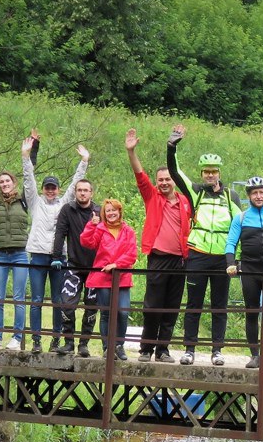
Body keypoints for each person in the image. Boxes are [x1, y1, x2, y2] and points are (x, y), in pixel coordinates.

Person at [168, 124, 242, 366]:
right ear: (201, 174)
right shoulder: (196, 192)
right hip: (198, 254)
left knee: (219, 305)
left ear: (219, 172)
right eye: (206, 172)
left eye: (213, 171)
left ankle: (217, 351)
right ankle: (189, 349)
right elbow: (176, 173)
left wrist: (237, 258)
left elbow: (242, 225)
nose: (210, 175)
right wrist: (172, 147)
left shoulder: (231, 196)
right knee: (194, 303)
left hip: (222, 257)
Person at [127, 128, 191, 363]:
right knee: (152, 305)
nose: (164, 183)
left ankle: (163, 349)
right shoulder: (152, 196)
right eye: (160, 180)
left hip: (180, 260)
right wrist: (131, 151)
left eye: (167, 179)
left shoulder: (185, 201)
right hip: (159, 257)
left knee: (171, 307)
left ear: (174, 180)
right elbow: (140, 175)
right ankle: (146, 348)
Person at [24, 131, 89, 353]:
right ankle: (35, 340)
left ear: (58, 190)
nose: (50, 191)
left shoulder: (64, 203)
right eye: (47, 187)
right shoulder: (35, 203)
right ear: (43, 189)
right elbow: (28, 181)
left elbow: (76, 184)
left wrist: (84, 162)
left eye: (53, 187)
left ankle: (56, 338)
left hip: (59, 257)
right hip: (37, 255)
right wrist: (27, 156)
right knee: (37, 300)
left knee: (58, 300)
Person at [225, 177, 263, 369]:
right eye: (254, 193)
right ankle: (255, 355)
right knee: (251, 312)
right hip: (250, 270)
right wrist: (230, 263)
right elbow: (230, 243)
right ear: (249, 196)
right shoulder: (241, 218)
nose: (258, 196)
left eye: (261, 192)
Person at [0, 133, 32, 351]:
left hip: (21, 253)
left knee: (19, 298)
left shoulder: (24, 200)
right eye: (1, 182)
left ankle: (16, 337)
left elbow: (31, 178)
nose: (4, 184)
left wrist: (29, 153)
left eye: (7, 181)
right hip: (0, 254)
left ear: (14, 183)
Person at [80, 199, 137, 361]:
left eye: (114, 210)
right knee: (106, 313)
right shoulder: (100, 229)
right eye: (108, 211)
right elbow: (86, 242)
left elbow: (132, 254)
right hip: (103, 277)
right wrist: (91, 225)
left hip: (123, 277)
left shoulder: (128, 231)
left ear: (119, 212)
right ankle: (107, 348)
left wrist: (116, 264)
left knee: (123, 312)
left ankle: (119, 345)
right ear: (104, 214)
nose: (111, 213)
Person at [51, 178, 101, 356]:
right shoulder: (68, 209)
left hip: (95, 267)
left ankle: (84, 344)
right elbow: (60, 233)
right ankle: (69, 341)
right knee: (67, 303)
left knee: (92, 305)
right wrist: (56, 256)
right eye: (79, 190)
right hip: (73, 264)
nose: (82, 193)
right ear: (75, 192)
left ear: (91, 193)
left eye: (86, 190)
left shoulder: (98, 211)